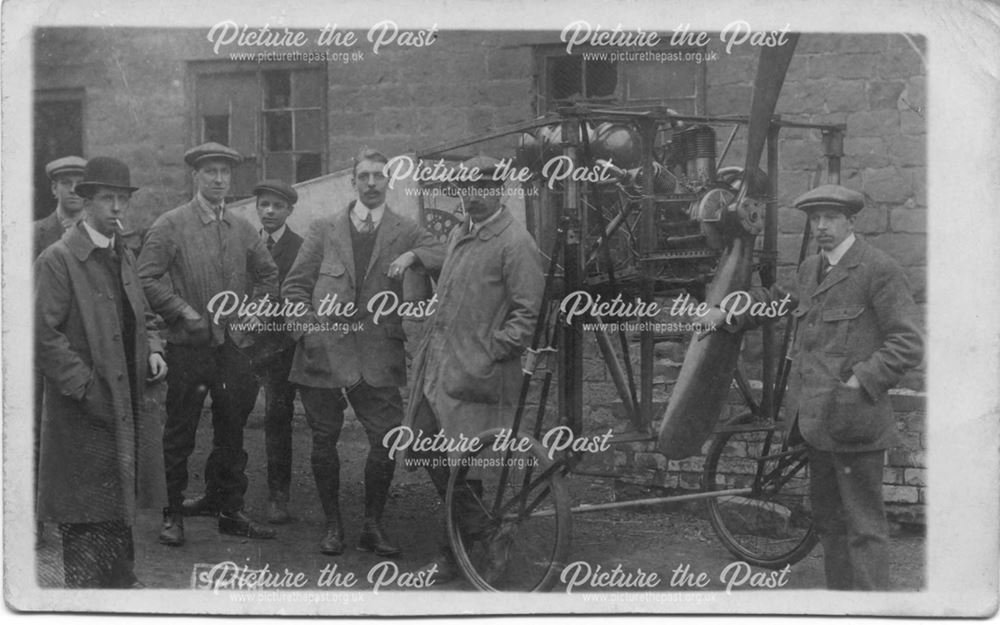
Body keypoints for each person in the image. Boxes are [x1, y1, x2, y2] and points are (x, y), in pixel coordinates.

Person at [703, 184, 924, 590]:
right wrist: (727, 310)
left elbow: (908, 343)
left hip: (856, 423)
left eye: (830, 218)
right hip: (816, 425)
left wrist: (861, 380)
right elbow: (774, 299)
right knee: (830, 526)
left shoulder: (878, 269)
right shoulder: (811, 268)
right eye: (814, 218)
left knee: (865, 530)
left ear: (851, 221)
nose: (821, 226)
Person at [281, 148, 445, 556]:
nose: (372, 183)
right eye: (364, 176)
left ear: (388, 182)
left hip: (377, 354)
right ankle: (333, 525)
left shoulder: (405, 230)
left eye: (379, 176)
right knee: (323, 439)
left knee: (387, 438)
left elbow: (447, 252)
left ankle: (372, 523)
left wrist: (415, 255)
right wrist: (309, 334)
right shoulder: (323, 229)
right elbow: (294, 289)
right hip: (324, 355)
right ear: (352, 181)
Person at [403, 155, 545, 581]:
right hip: (442, 368)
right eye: (467, 189)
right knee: (432, 449)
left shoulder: (515, 242)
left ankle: (465, 547)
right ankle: (473, 540)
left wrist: (490, 351)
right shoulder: (461, 234)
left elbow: (527, 314)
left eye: (483, 188)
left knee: (457, 457)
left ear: (499, 190)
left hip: (477, 373)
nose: (473, 197)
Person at [137, 142, 279, 545]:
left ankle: (230, 509)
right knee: (180, 431)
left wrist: (254, 314)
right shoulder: (171, 224)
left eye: (225, 173)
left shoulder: (242, 227)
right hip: (189, 345)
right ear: (195, 177)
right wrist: (183, 311)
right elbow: (146, 278)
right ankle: (172, 513)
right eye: (210, 172)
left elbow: (268, 277)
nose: (219, 179)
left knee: (232, 428)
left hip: (233, 347)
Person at [34, 156, 167, 587]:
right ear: (86, 202)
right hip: (81, 405)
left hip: (123, 396)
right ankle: (86, 594)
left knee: (117, 492)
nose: (116, 208)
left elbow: (142, 313)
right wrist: (85, 387)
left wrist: (153, 348)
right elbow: (42, 336)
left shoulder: (121, 251)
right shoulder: (58, 259)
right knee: (82, 499)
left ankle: (121, 581)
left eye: (122, 199)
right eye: (107, 199)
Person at [32, 155, 88, 546]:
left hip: (82, 351)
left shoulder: (98, 234)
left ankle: (77, 518)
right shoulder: (36, 233)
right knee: (36, 434)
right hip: (41, 351)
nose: (71, 189)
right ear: (53, 188)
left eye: (77, 182)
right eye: (64, 182)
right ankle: (32, 520)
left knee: (80, 435)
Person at [252, 179, 304, 525]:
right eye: (264, 205)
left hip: (281, 346)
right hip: (245, 341)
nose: (269, 211)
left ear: (289, 210)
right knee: (229, 415)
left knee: (276, 417)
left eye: (277, 206)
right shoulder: (247, 242)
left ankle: (278, 495)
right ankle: (223, 491)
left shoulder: (300, 246)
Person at [34, 155, 88, 258]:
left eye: (80, 184)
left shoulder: (100, 230)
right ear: (54, 188)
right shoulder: (33, 232)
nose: (73, 190)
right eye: (66, 183)